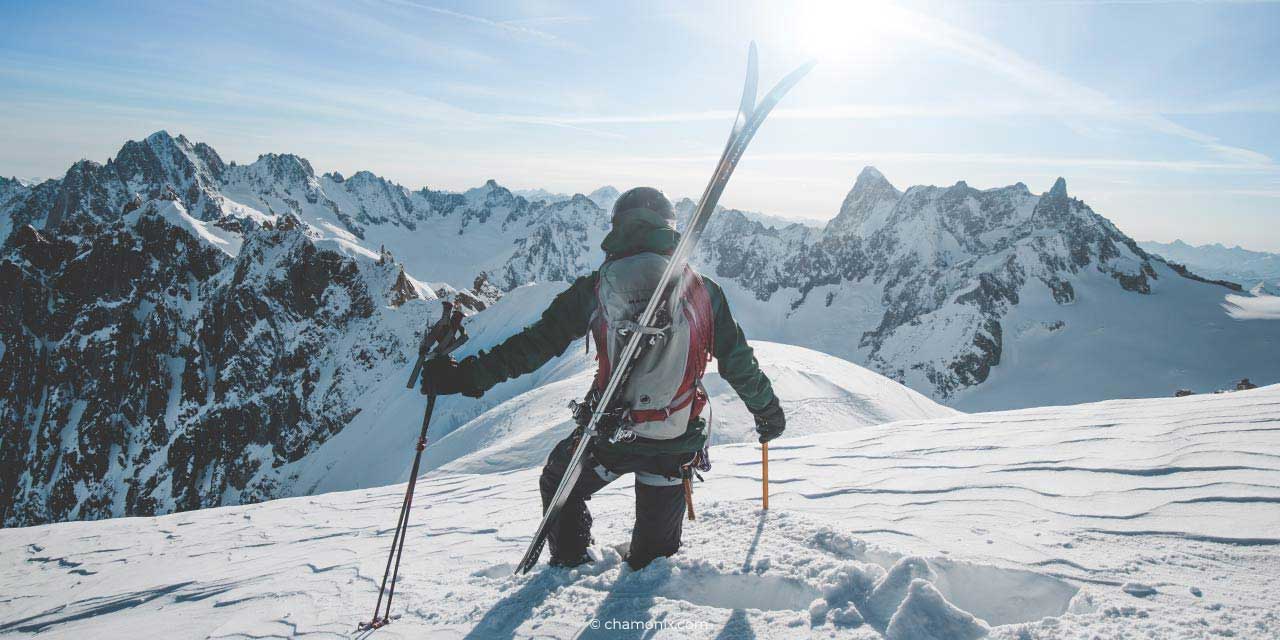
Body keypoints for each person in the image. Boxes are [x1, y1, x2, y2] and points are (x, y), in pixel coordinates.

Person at [421, 186, 785, 570]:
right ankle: (648, 564)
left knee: (558, 480)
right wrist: (766, 411)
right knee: (653, 566)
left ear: (618, 227)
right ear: (669, 228)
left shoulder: (595, 288)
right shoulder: (703, 290)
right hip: (673, 443)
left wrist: (465, 377)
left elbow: (534, 345)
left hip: (609, 437)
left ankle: (570, 563)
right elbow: (737, 360)